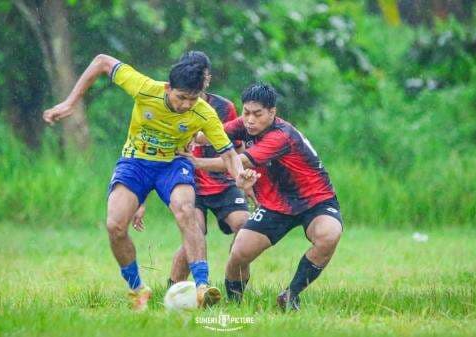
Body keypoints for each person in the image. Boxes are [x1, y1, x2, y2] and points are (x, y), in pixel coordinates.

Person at [42, 54, 258, 311]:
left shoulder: (204, 113)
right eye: (181, 97)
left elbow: (229, 154)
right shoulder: (145, 88)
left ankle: (202, 287)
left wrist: (239, 177)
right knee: (115, 226)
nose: (186, 105)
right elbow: (101, 61)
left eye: (193, 98)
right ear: (168, 87)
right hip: (135, 163)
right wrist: (70, 103)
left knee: (186, 210)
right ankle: (137, 288)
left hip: (173, 165)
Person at [183, 83, 343, 311]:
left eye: (257, 114)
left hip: (315, 201)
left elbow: (240, 161)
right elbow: (211, 135)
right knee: (238, 255)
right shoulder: (244, 124)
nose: (250, 120)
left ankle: (291, 295)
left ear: (272, 113)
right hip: (275, 206)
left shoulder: (281, 136)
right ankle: (235, 305)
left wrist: (196, 162)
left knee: (329, 235)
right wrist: (187, 137)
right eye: (246, 112)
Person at [130, 51, 251, 286]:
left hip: (222, 182)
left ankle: (234, 288)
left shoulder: (223, 108)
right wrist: (140, 199)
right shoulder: (163, 105)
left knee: (245, 226)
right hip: (188, 182)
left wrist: (244, 181)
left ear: (207, 78)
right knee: (195, 231)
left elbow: (235, 151)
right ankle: (174, 290)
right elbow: (144, 155)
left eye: (202, 75)